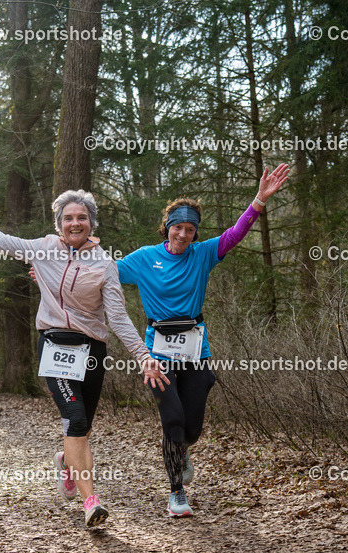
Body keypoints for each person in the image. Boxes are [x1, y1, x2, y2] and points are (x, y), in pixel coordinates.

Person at [0, 191, 169, 527]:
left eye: (81, 217)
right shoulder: (43, 248)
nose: (75, 223)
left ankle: (67, 461)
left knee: (84, 426)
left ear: (91, 223)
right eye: (68, 218)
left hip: (92, 350)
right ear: (59, 223)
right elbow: (3, 242)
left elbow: (119, 318)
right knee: (76, 421)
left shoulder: (105, 265)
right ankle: (91, 502)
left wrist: (143, 355)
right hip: (54, 345)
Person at [118, 164, 290, 516]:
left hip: (195, 350)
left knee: (192, 428)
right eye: (178, 227)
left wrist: (259, 200)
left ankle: (181, 449)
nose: (183, 234)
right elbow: (99, 273)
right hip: (158, 351)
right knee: (173, 419)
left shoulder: (204, 254)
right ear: (167, 227)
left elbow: (236, 233)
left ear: (196, 233)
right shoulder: (142, 259)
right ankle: (176, 492)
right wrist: (51, 269)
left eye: (190, 229)